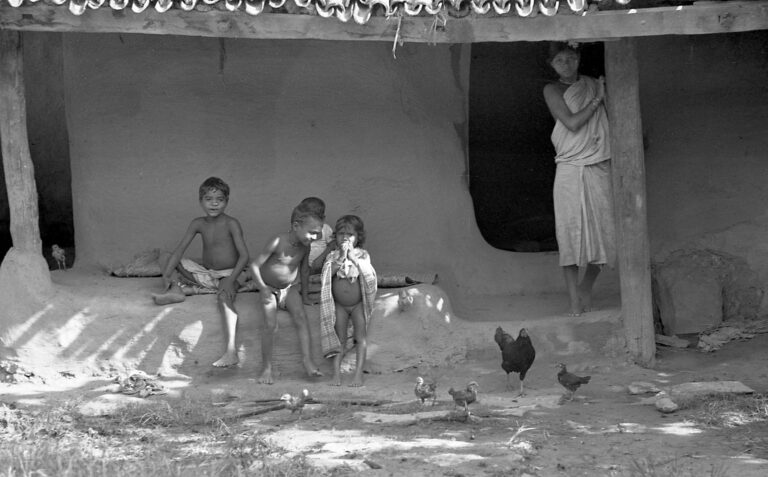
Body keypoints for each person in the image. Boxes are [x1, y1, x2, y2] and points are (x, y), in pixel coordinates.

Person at [542, 42, 616, 317]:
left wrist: (601, 94)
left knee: (605, 234)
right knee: (569, 236)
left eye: (571, 58)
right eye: (560, 60)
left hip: (597, 164)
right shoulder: (552, 89)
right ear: (552, 65)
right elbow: (572, 123)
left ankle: (586, 287)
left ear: (579, 58)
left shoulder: (591, 84)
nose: (566, 64)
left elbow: (613, 118)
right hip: (570, 168)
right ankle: (574, 301)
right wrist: (598, 98)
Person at [151, 177, 250, 367]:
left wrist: (231, 280)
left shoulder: (231, 223)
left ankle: (231, 351)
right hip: (206, 273)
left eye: (219, 199)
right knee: (166, 256)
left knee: (224, 299)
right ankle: (174, 289)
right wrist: (167, 277)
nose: (214, 203)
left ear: (226, 201)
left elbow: (244, 256)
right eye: (208, 199)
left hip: (229, 274)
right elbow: (180, 250)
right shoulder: (198, 223)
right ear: (200, 201)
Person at [249, 203, 325, 384]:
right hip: (269, 288)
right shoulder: (278, 241)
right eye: (312, 232)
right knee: (270, 325)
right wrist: (262, 287)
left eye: (317, 234)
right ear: (296, 226)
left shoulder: (305, 246)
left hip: (289, 288)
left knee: (300, 317)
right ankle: (266, 368)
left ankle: (308, 361)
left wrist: (305, 295)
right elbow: (254, 265)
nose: (315, 237)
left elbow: (305, 270)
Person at [319, 215, 377, 387]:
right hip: (340, 306)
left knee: (361, 338)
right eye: (341, 234)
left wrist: (352, 257)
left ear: (358, 237)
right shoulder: (332, 255)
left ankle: (358, 374)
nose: (345, 238)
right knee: (340, 340)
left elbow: (368, 273)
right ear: (335, 236)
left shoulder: (363, 254)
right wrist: (341, 257)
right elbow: (327, 274)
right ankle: (336, 375)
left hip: (358, 305)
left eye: (350, 234)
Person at [297, 197, 336, 305]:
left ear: (322, 218)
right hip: (303, 268)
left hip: (320, 267)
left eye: (315, 216)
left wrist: (321, 257)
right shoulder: (300, 229)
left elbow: (332, 244)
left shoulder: (326, 229)